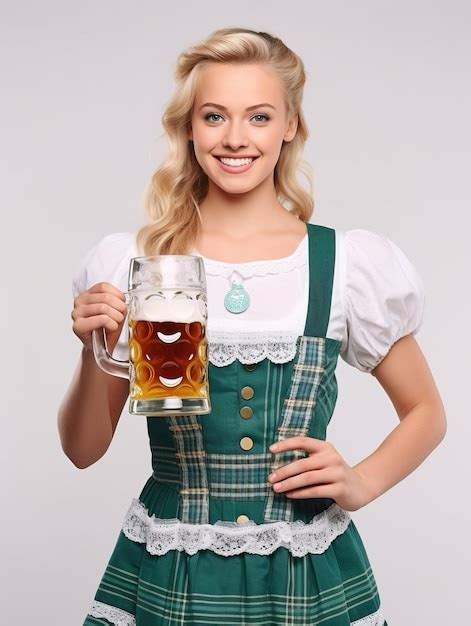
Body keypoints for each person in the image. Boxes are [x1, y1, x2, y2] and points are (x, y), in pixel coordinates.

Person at [58, 27, 447, 626]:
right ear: (188, 127)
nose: (235, 138)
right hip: (170, 566)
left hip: (306, 569)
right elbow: (83, 452)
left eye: (259, 116)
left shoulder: (341, 264)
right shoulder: (139, 263)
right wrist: (92, 352)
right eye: (214, 116)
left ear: (290, 125)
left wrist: (362, 481)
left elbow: (427, 411)